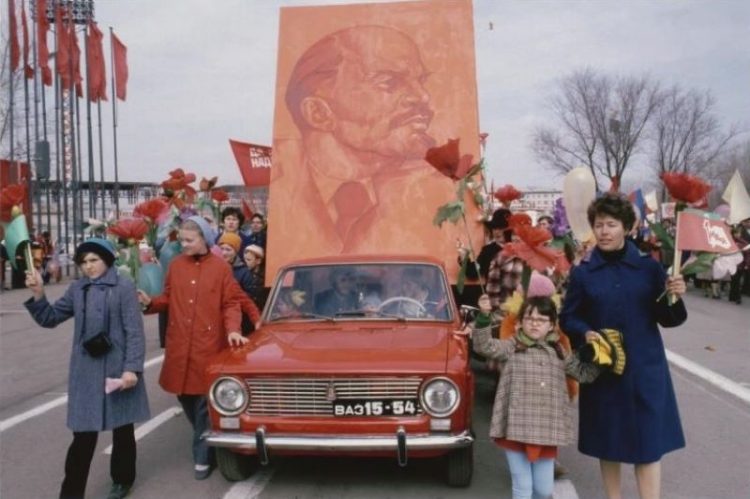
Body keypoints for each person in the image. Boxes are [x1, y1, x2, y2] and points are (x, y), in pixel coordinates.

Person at [269, 24, 470, 261]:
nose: (423, 97)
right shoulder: (281, 183)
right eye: (389, 82)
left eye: (421, 80)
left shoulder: (440, 189)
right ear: (318, 113)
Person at [560, 192, 688, 499]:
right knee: (610, 443)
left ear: (627, 228)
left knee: (648, 447)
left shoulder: (650, 269)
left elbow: (668, 319)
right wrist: (585, 332)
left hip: (646, 371)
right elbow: (568, 317)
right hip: (605, 371)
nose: (604, 231)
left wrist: (675, 296)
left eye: (611, 224)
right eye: (599, 224)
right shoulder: (583, 273)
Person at [24, 237, 150, 499]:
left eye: (94, 260)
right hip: (86, 373)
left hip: (118, 371)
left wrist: (132, 369)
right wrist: (38, 293)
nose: (88, 266)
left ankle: (123, 481)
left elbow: (134, 332)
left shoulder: (124, 286)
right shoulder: (78, 289)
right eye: (83, 262)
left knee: (123, 431)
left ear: (107, 259)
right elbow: (50, 318)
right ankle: (70, 494)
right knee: (83, 438)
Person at [137, 216, 248, 480]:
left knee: (202, 401)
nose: (183, 245)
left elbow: (231, 303)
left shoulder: (221, 268)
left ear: (205, 239)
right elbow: (167, 298)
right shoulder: (175, 266)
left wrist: (233, 329)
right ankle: (207, 440)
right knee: (184, 396)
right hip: (179, 342)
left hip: (208, 344)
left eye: (189, 240)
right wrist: (149, 302)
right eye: (181, 240)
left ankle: (202, 455)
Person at [459, 294, 599, 499]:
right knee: (522, 487)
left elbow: (583, 373)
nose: (534, 324)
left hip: (547, 431)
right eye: (529, 318)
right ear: (520, 322)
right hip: (515, 428)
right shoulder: (512, 346)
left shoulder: (559, 350)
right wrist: (484, 316)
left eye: (541, 320)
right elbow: (484, 346)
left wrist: (600, 356)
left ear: (552, 325)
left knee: (543, 490)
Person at [218, 233, 262, 335]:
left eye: (228, 249)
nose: (224, 253)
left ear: (236, 251)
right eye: (221, 248)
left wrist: (256, 318)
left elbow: (245, 299)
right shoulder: (215, 268)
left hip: (237, 321)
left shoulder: (243, 272)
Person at [243, 244, 266, 309]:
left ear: (258, 261)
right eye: (245, 259)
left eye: (249, 260)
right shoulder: (245, 274)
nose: (246, 262)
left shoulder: (264, 277)